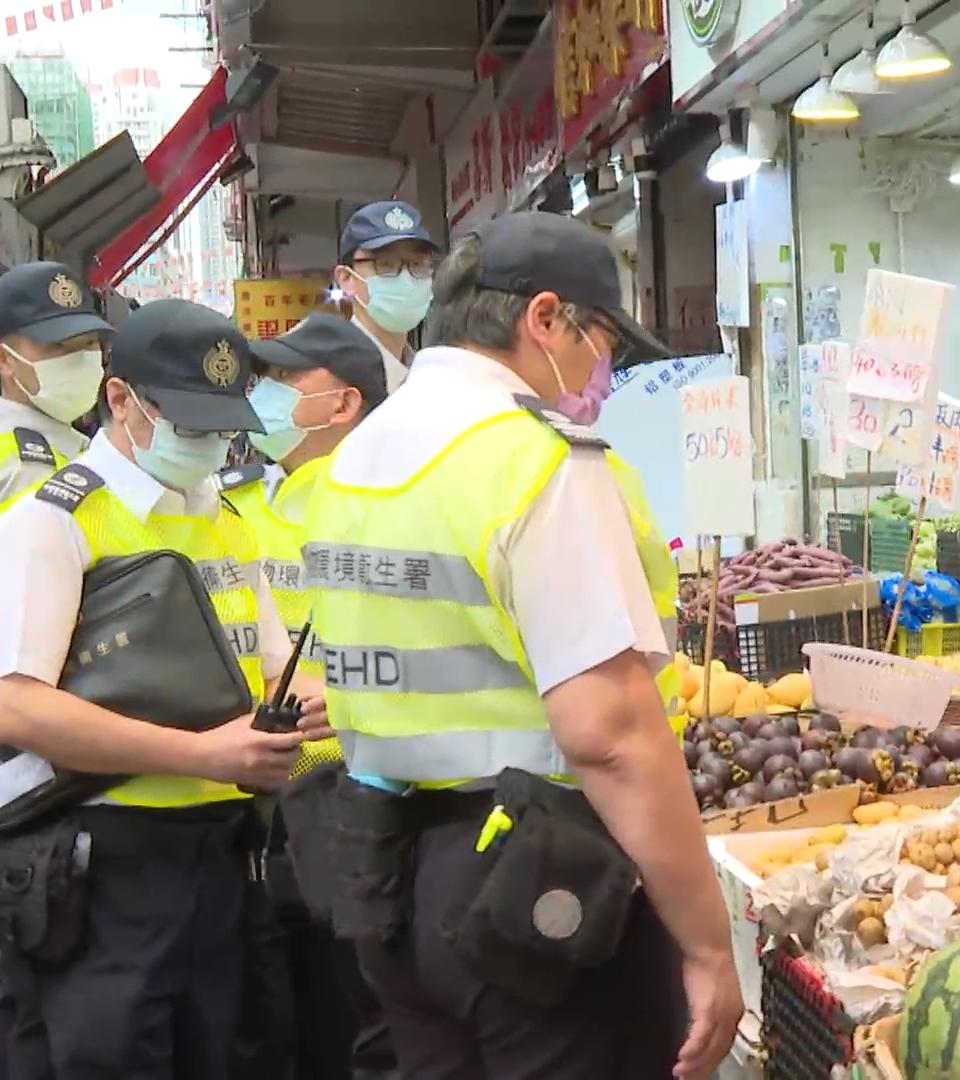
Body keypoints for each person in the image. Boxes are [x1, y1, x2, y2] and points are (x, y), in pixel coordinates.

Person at [300, 211, 741, 1077]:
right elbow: (607, 734)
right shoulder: (533, 460)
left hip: (385, 872)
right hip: (531, 884)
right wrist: (707, 943)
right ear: (544, 320)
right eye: (601, 340)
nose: (603, 369)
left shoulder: (357, 455)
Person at [0, 299, 328, 1076]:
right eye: (189, 421)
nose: (210, 443)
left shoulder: (224, 519)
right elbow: (16, 702)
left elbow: (274, 664)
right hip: (102, 865)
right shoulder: (53, 523)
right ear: (122, 401)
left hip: (222, 857)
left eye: (221, 424)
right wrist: (200, 754)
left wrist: (318, 700)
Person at [222, 313, 394, 1080]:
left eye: (286, 381)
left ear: (344, 404)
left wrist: (355, 697)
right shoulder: (246, 503)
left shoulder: (383, 500)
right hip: (262, 801)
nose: (263, 395)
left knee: (345, 1017)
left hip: (353, 799)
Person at [0, 262, 113, 511]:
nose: (82, 357)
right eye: (60, 345)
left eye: (91, 342)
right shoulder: (24, 470)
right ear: (5, 360)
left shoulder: (69, 444)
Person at [333, 200, 440, 393]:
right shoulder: (328, 377)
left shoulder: (430, 378)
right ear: (347, 278)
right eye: (385, 264)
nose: (406, 279)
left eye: (417, 264)